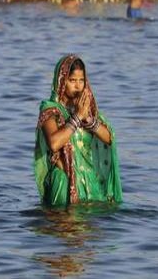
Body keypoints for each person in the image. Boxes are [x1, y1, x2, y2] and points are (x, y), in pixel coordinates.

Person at [35, 55, 122, 207]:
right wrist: (77, 118)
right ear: (62, 81)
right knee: (61, 227)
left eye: (81, 80)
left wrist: (88, 119)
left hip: (89, 183)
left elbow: (109, 138)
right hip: (64, 183)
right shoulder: (51, 110)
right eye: (72, 80)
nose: (78, 86)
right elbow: (54, 144)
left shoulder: (87, 109)